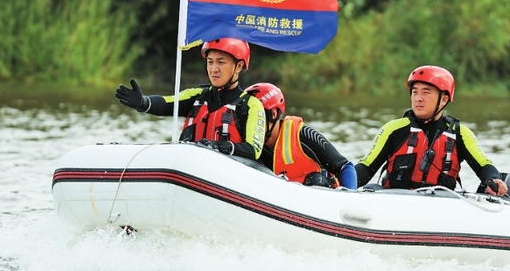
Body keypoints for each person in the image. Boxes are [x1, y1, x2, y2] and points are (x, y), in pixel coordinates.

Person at [354, 65, 509, 195]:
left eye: (426, 92)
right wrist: (341, 179)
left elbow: (484, 166)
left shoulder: (460, 134)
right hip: (397, 201)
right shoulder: (393, 129)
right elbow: (366, 168)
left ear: (443, 99)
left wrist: (493, 179)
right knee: (371, 190)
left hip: (440, 206)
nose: (418, 98)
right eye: (415, 92)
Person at [115, 38, 266, 160]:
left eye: (221, 62)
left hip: (228, 174)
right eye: (210, 62)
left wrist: (219, 146)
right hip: (191, 169)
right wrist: (143, 103)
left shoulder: (251, 105)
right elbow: (167, 104)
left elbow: (254, 150)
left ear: (238, 66)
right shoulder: (197, 95)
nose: (214, 69)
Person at [248, 82, 357, 189]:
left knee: (315, 180)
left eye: (256, 118)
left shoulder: (302, 133)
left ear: (273, 114)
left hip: (319, 196)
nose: (249, 125)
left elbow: (345, 167)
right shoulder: (248, 145)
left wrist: (349, 199)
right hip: (279, 200)